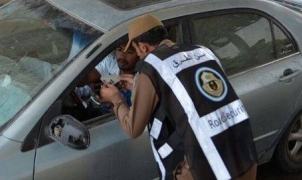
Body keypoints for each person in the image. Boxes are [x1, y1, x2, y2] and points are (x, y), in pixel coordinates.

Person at [100, 14, 258, 180]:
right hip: (243, 153)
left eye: (136, 51)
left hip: (207, 166)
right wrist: (142, 88)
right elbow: (197, 93)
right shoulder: (203, 52)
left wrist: (116, 98)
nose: (139, 57)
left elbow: (133, 129)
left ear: (143, 47)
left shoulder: (151, 66)